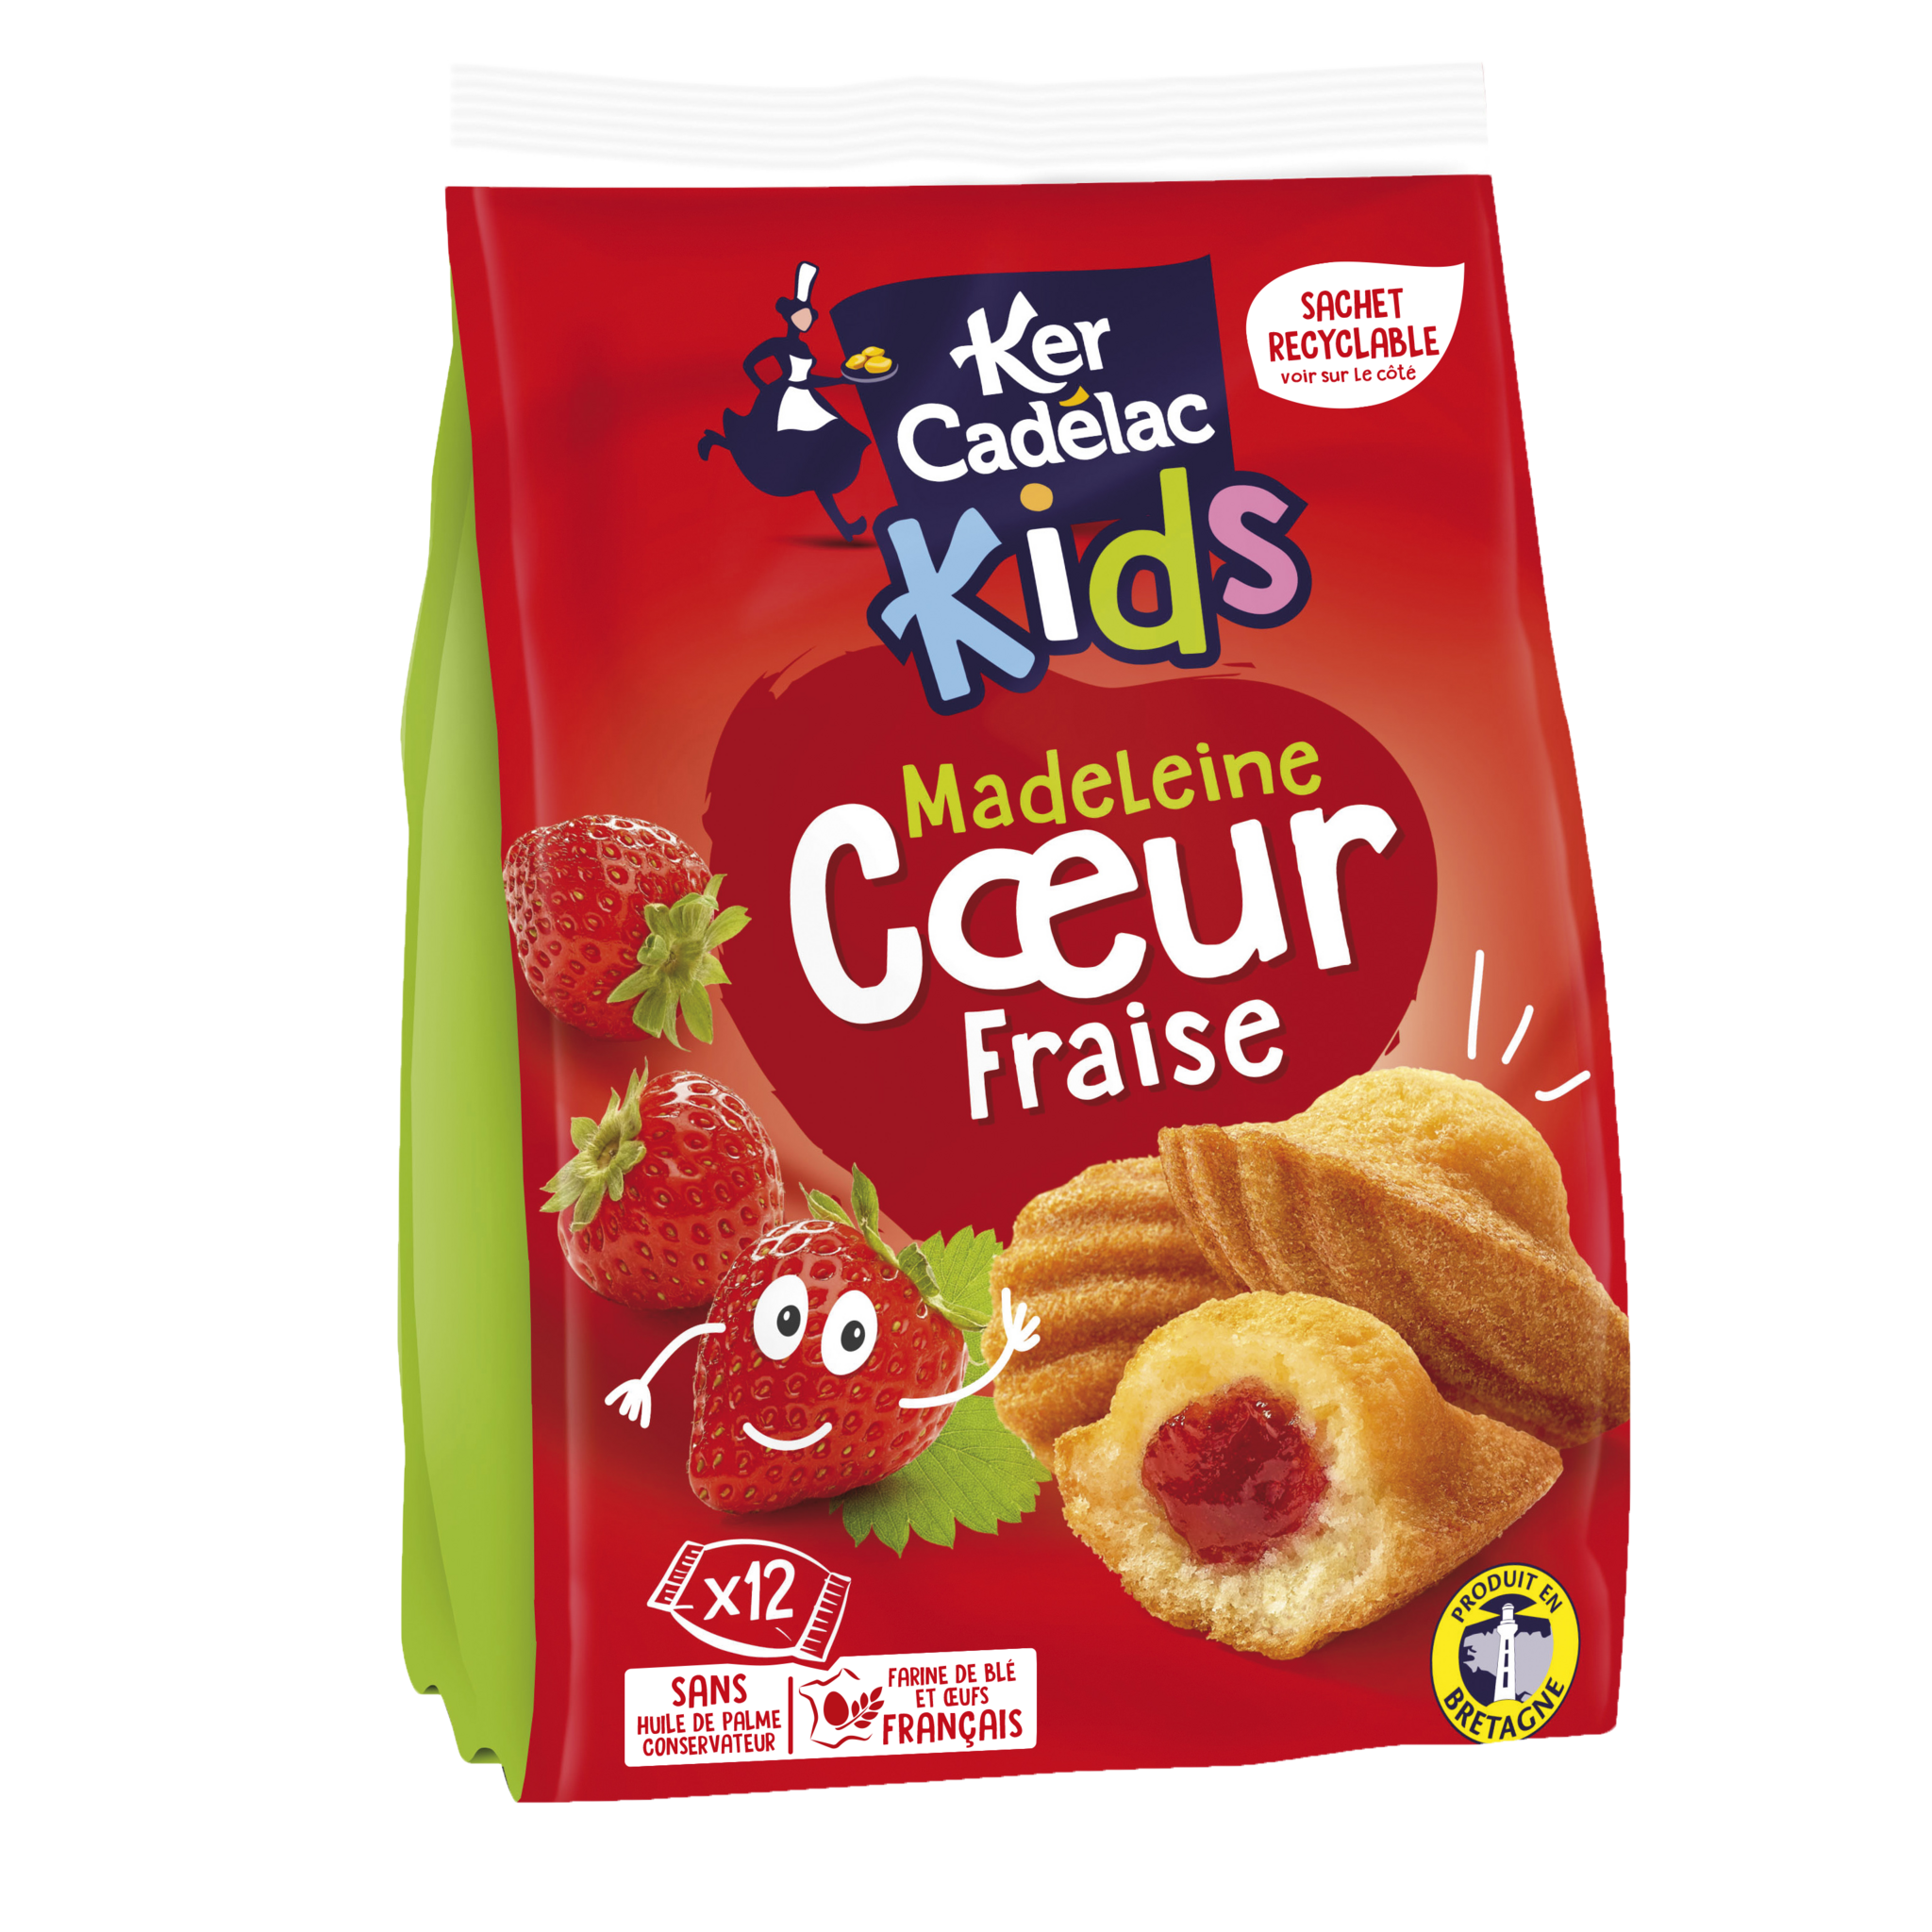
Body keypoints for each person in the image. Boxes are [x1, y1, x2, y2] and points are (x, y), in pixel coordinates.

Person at [698, 260, 872, 540]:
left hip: (807, 400)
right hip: (786, 403)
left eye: (809, 315)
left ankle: (844, 526)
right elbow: (749, 363)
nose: (807, 319)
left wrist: (841, 380)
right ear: (790, 317)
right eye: (802, 314)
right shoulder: (779, 344)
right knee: (776, 452)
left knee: (821, 456)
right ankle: (844, 526)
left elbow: (808, 379)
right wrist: (765, 388)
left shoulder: (803, 345)